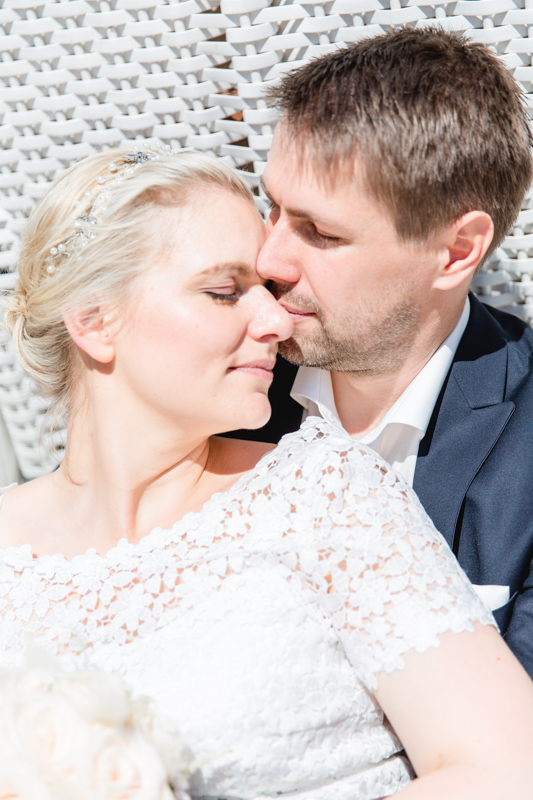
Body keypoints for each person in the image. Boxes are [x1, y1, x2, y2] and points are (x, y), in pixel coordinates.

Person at [1, 144, 533, 800]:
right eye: (224, 291)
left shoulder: (326, 496)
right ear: (94, 322)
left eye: (267, 289)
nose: (276, 320)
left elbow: (508, 768)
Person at [252, 26, 533, 677]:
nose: (267, 259)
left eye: (319, 233)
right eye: (270, 208)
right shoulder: (217, 376)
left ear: (456, 251)